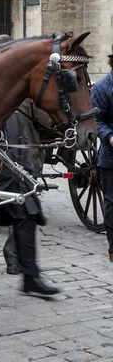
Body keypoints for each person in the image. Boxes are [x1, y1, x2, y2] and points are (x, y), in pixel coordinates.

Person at [0, 34, 60, 297]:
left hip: (21, 164)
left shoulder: (22, 88)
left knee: (26, 216)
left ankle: (31, 277)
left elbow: (42, 119)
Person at [89, 53, 113, 262]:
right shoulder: (102, 87)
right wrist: (110, 137)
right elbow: (97, 119)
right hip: (111, 155)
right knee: (112, 201)